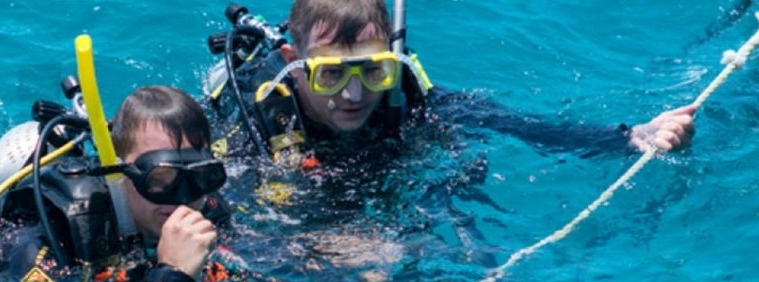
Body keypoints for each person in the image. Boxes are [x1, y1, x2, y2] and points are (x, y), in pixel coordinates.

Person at [212, 0, 696, 167]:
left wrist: (630, 136)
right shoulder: (258, 115)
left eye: (372, 70)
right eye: (331, 74)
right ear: (294, 62)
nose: (355, 94)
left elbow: (510, 124)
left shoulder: (403, 87)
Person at [0, 85, 245, 282]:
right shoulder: (53, 232)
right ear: (118, 173)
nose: (183, 197)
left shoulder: (204, 205)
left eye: (200, 176)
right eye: (160, 179)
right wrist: (168, 281)